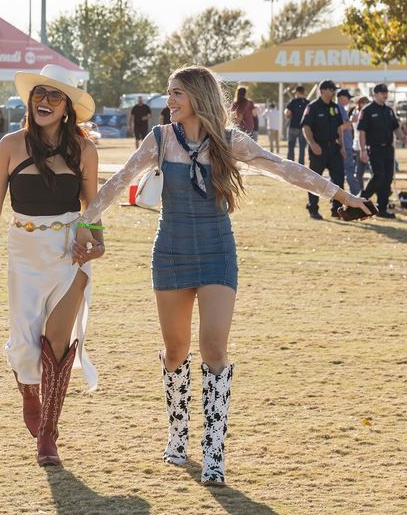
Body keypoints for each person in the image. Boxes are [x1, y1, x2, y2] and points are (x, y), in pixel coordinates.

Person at [73, 65, 371, 486]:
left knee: (214, 348)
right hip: (171, 252)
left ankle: (214, 452)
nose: (169, 101)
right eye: (168, 93)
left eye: (177, 93)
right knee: (175, 352)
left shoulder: (231, 141)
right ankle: (178, 434)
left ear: (199, 96)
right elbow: (120, 180)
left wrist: (341, 194)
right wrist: (85, 220)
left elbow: (285, 168)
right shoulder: (159, 139)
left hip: (218, 251)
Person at [0, 64, 100, 467]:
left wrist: (95, 240)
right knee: (25, 346)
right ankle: (29, 391)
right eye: (39, 94)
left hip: (68, 252)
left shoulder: (84, 150)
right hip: (23, 250)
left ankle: (49, 433)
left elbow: (92, 207)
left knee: (57, 340)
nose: (44, 101)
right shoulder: (11, 145)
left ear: (67, 107)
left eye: (54, 96)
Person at [358, 84, 407, 219]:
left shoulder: (389, 111)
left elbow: (395, 128)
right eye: (382, 92)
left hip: (388, 149)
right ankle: (362, 199)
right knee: (379, 175)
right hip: (374, 148)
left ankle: (382, 208)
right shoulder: (367, 110)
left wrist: (403, 137)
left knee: (387, 178)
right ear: (375, 94)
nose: (385, 95)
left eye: (386, 92)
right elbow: (362, 131)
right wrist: (362, 150)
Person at [301, 80, 345, 220]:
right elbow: (306, 127)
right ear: (322, 91)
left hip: (334, 148)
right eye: (331, 89)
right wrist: (313, 144)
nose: (334, 92)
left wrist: (342, 146)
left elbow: (339, 128)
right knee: (315, 180)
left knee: (339, 178)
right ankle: (313, 208)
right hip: (318, 148)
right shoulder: (313, 107)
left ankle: (337, 209)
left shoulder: (335, 107)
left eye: (334, 89)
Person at [336, 89, 358, 195]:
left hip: (343, 145)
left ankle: (335, 195)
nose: (349, 100)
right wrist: (351, 121)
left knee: (337, 172)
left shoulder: (338, 108)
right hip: (345, 145)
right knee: (349, 171)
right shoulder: (339, 108)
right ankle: (356, 194)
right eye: (348, 97)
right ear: (341, 97)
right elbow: (342, 127)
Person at [284, 86, 309, 164]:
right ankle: (301, 165)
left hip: (293, 127)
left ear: (297, 92)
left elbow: (287, 113)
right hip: (304, 128)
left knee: (291, 147)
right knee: (302, 148)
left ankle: (290, 164)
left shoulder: (293, 101)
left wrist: (287, 114)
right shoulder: (308, 103)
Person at [351, 96, 371, 193]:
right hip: (360, 145)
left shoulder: (365, 112)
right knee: (360, 172)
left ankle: (365, 191)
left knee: (374, 172)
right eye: (365, 102)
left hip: (367, 145)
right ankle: (361, 191)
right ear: (360, 103)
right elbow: (353, 120)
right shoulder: (356, 113)